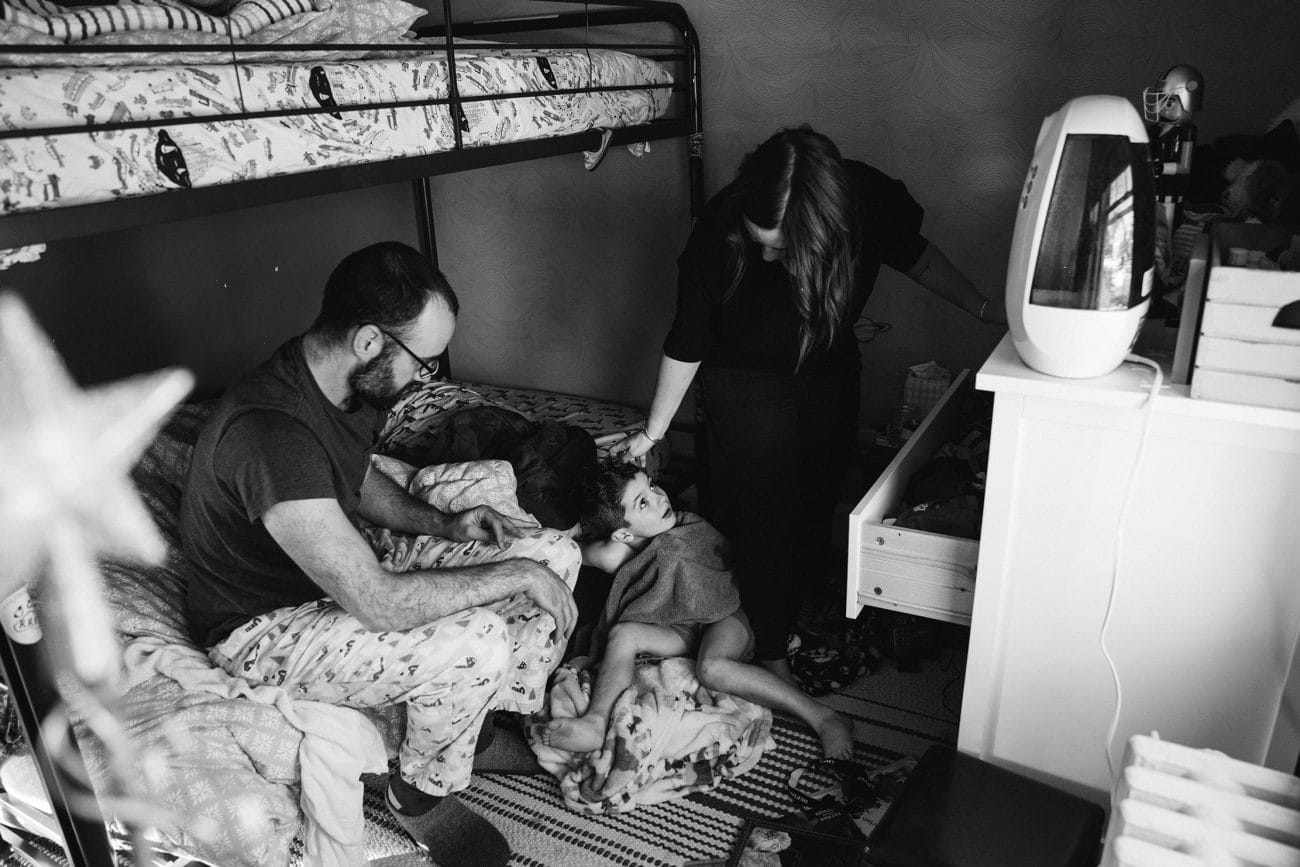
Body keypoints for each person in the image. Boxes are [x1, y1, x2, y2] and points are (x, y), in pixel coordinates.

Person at [179, 241, 580, 867]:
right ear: (370, 341)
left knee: (552, 552)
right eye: (425, 360)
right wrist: (512, 576)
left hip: (330, 585)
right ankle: (416, 793)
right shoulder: (269, 433)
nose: (428, 375)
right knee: (479, 635)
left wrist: (445, 524)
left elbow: (356, 477)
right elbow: (380, 602)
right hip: (261, 630)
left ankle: (479, 722)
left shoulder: (340, 387)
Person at [610, 125, 1004, 685]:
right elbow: (688, 338)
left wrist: (983, 307)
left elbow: (916, 258)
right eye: (760, 240)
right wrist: (654, 430)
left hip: (828, 366)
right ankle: (768, 650)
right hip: (742, 377)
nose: (768, 255)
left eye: (783, 244)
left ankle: (793, 616)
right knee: (766, 511)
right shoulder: (721, 229)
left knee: (820, 498)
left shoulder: (866, 202)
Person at [540, 461, 855, 759]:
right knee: (623, 634)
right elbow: (563, 550)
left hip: (727, 613)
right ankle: (597, 721)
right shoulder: (614, 552)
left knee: (712, 668)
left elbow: (733, 574)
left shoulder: (687, 528)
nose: (659, 497)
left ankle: (824, 717)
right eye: (642, 503)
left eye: (651, 486)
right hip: (680, 628)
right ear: (623, 533)